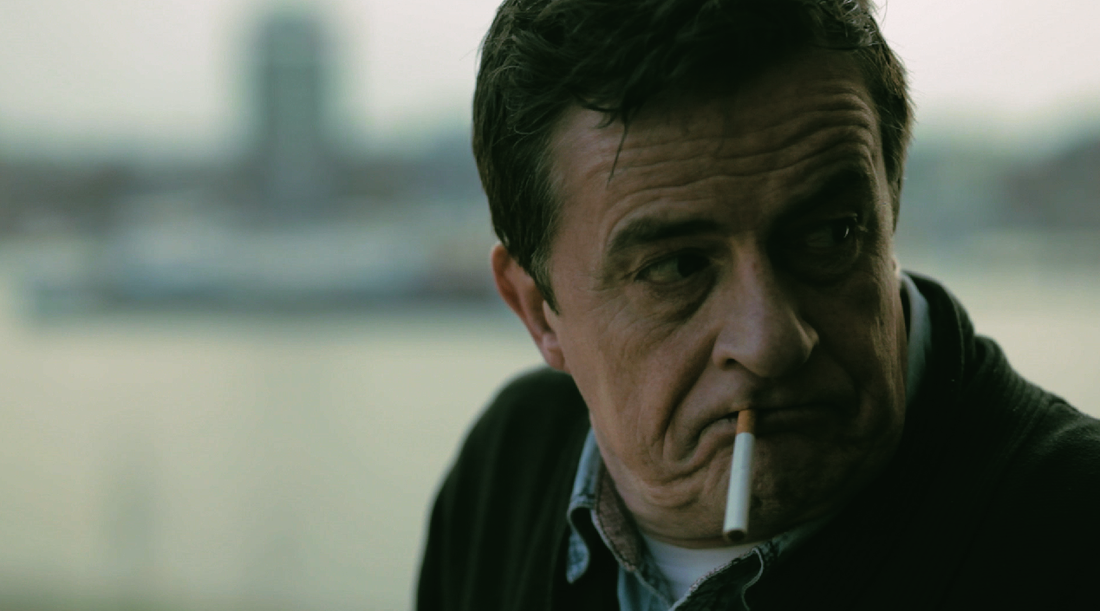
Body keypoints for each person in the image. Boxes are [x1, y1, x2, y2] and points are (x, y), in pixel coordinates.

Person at [417, 1, 1100, 609]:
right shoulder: (512, 467)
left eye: (830, 234)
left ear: (890, 209)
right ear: (538, 310)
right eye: (678, 268)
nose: (770, 340)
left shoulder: (1073, 535)